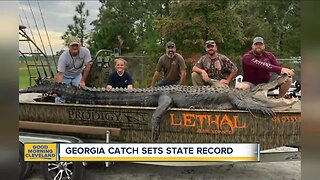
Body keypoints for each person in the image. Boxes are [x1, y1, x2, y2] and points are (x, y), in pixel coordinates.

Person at [54, 36, 92, 103]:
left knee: (81, 93)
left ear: (79, 45)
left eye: (76, 45)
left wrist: (83, 81)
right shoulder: (63, 57)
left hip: (77, 75)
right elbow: (60, 74)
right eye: (72, 45)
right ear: (69, 46)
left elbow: (88, 66)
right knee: (59, 95)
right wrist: (57, 89)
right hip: (65, 76)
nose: (75, 47)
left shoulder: (85, 51)